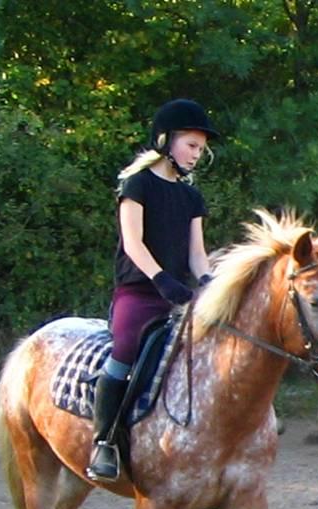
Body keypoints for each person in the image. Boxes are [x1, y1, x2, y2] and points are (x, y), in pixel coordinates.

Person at [85, 98, 219, 481]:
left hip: (179, 294)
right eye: (192, 145)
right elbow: (134, 244)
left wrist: (207, 283)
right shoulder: (137, 185)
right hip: (139, 294)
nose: (197, 154)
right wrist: (162, 281)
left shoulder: (192, 197)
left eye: (201, 149)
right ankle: (104, 441)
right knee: (125, 348)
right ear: (165, 140)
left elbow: (197, 253)